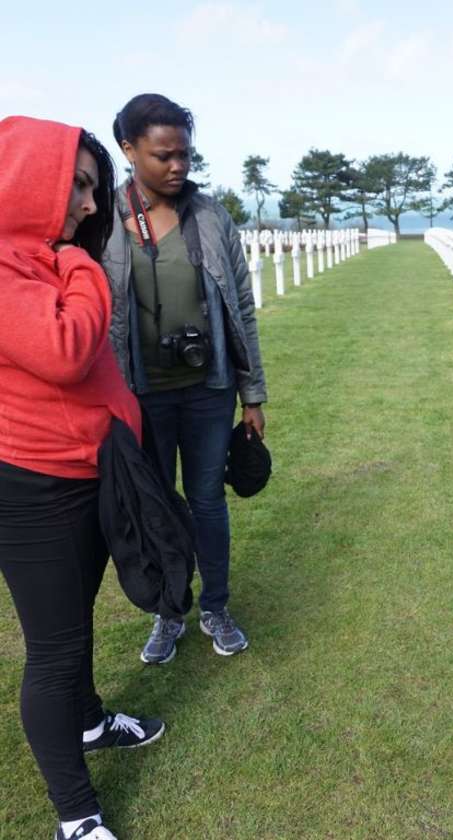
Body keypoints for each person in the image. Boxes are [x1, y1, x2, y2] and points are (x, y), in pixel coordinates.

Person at [0, 116, 164, 840]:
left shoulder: (38, 258)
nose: (91, 206)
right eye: (81, 186)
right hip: (35, 488)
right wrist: (79, 264)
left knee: (75, 624)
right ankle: (76, 814)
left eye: (95, 190)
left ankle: (91, 722)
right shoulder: (15, 264)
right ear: (29, 178)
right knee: (55, 650)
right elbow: (67, 349)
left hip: (86, 470)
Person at [102, 94, 267, 664]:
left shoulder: (211, 216)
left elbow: (242, 308)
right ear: (129, 150)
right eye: (162, 155)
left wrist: (253, 393)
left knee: (205, 501)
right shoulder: (102, 220)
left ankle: (215, 606)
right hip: (139, 395)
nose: (177, 167)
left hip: (208, 389)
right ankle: (168, 611)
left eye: (185, 155)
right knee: (156, 508)